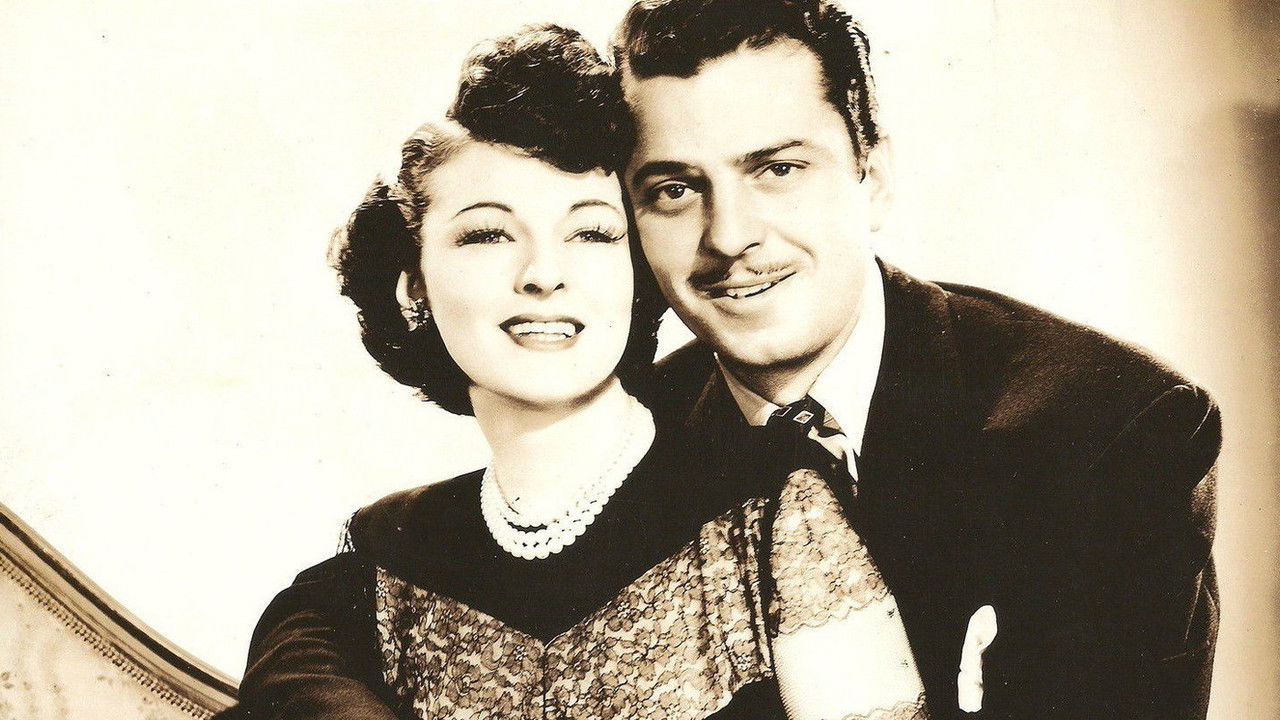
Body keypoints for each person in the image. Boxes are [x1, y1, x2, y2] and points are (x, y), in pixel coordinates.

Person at [222, 22, 929, 720]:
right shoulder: (381, 557)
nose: (543, 274)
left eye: (590, 232)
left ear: (635, 270)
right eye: (487, 234)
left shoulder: (779, 511)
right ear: (414, 288)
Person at [618, 0, 1220, 718]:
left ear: (873, 179)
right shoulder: (623, 445)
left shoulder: (1108, 430)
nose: (728, 236)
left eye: (778, 169)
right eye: (675, 190)